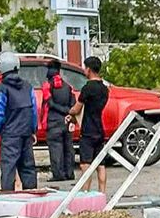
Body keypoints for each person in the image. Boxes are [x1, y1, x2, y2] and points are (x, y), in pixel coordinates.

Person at [0, 51, 38, 191]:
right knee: (28, 168)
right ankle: (32, 199)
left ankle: (7, 199)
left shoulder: (1, 88)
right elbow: (33, 111)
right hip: (26, 134)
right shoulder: (28, 87)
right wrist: (33, 131)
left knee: (8, 168)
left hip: (10, 135)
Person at [69, 56, 110, 194]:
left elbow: (77, 108)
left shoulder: (87, 88)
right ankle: (102, 192)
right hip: (100, 128)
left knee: (85, 164)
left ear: (89, 69)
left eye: (85, 67)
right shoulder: (104, 89)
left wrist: (70, 112)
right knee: (101, 164)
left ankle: (86, 193)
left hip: (87, 130)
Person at [41, 59, 76, 181]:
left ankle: (58, 175)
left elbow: (49, 103)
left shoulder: (47, 86)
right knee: (68, 147)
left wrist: (61, 110)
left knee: (56, 148)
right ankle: (70, 173)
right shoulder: (68, 86)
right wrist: (68, 112)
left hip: (53, 122)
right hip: (67, 122)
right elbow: (73, 103)